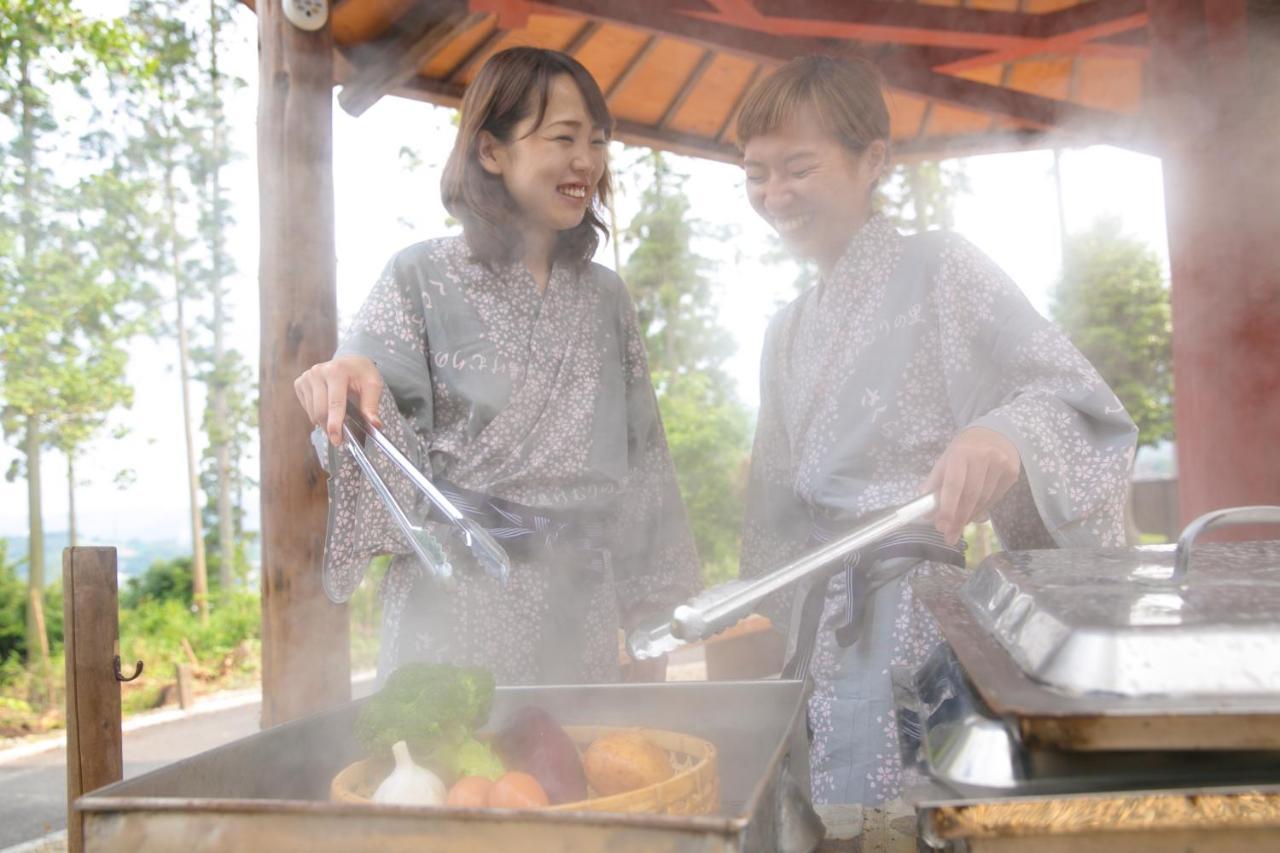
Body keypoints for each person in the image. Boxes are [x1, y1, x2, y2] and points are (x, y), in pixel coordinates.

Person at [734, 55, 1137, 805]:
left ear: (872, 159)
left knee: (925, 813)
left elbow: (1074, 399)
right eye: (756, 172)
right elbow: (774, 524)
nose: (774, 194)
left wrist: (1004, 435)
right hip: (823, 634)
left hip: (926, 619)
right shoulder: (784, 333)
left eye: (797, 167)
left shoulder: (942, 268)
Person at [294, 47, 700, 686]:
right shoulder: (419, 275)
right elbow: (371, 422)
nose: (587, 162)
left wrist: (651, 599)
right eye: (563, 137)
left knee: (583, 775)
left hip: (579, 603)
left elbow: (644, 455)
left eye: (597, 142)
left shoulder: (605, 296)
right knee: (454, 775)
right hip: (455, 601)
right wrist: (341, 386)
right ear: (491, 151)